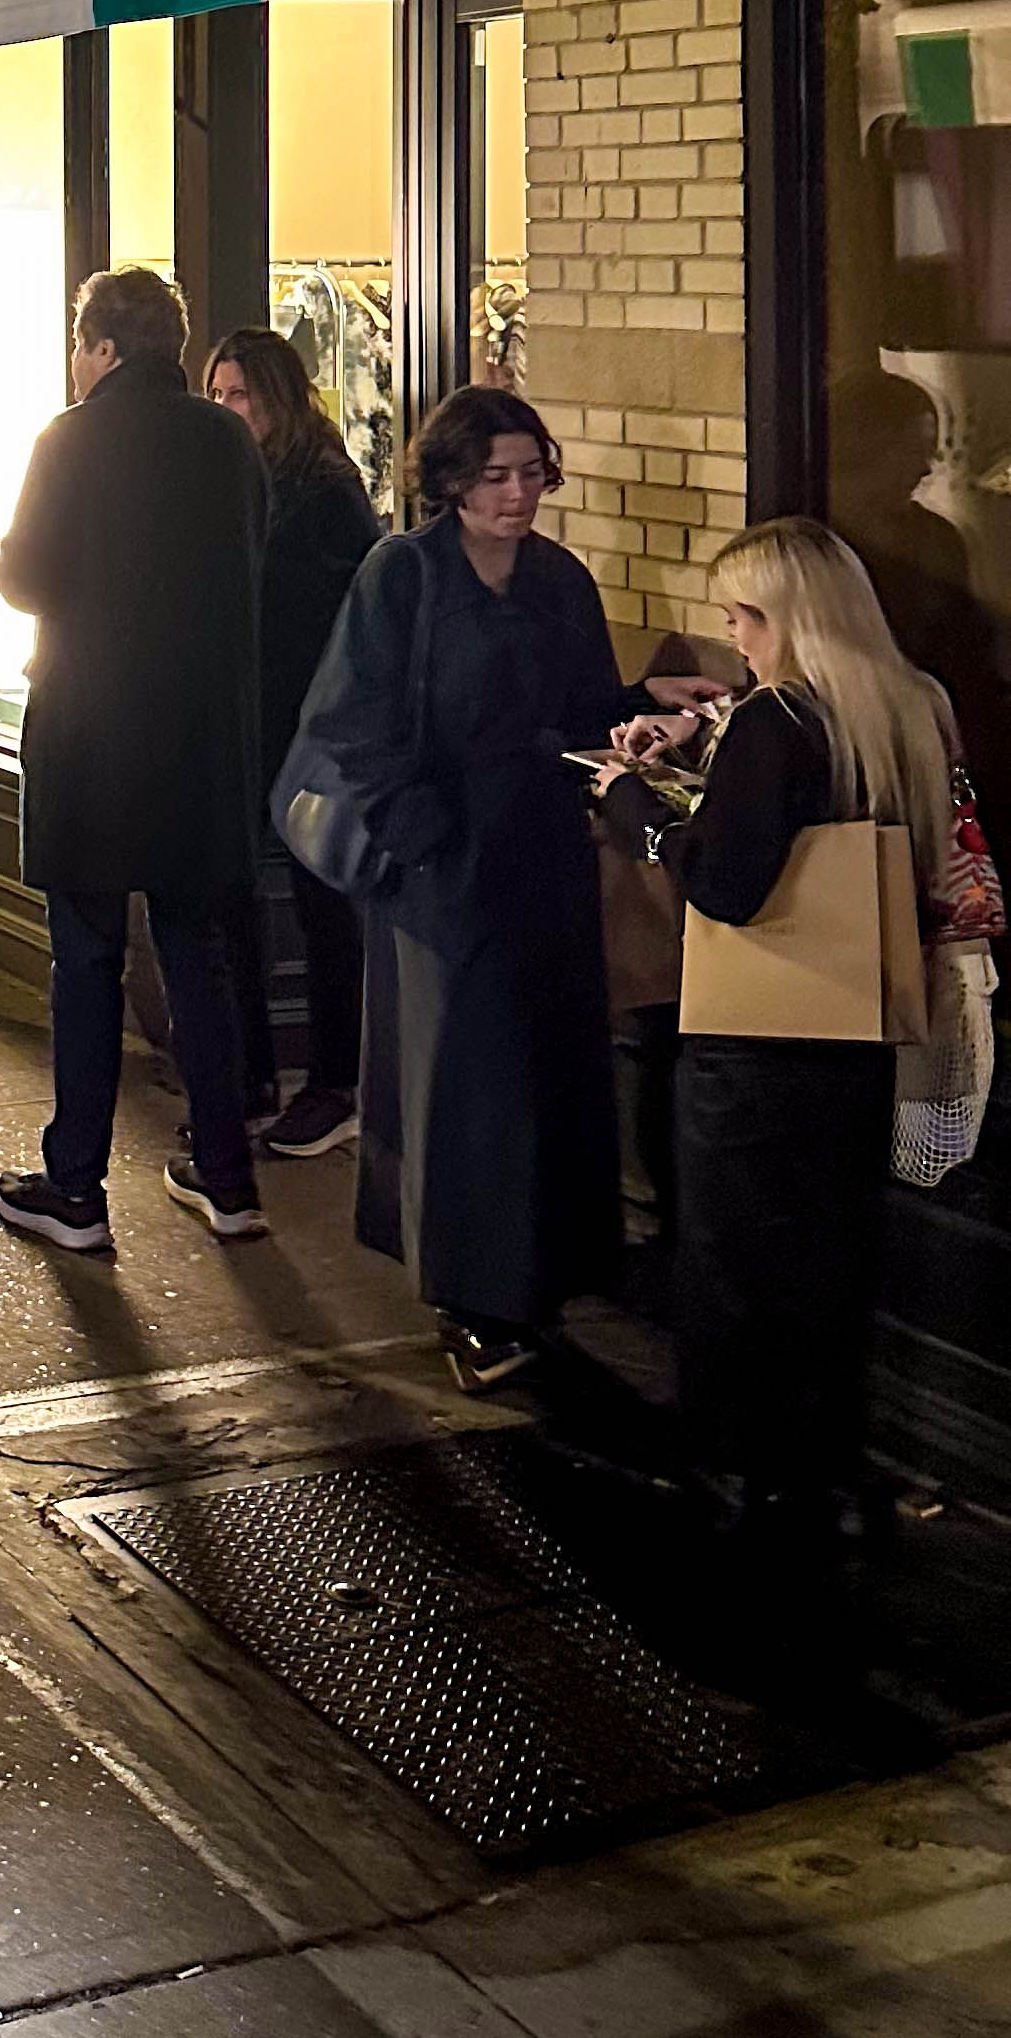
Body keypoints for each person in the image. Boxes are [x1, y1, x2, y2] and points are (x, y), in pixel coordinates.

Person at [292, 386, 718, 1391]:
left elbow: (577, 707)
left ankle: (551, 1283)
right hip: (447, 864)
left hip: (545, 854)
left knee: (552, 1074)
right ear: (449, 480)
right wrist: (419, 836)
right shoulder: (404, 575)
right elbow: (352, 723)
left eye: (532, 474)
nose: (519, 494)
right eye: (496, 477)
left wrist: (639, 704)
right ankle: (474, 1300)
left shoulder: (559, 578)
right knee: (466, 1084)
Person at [599, 518, 968, 1526]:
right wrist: (700, 755)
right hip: (855, 1030)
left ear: (787, 617)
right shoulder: (908, 707)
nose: (735, 638)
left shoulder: (781, 719)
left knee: (737, 1257)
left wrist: (636, 805)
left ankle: (743, 1465)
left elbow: (727, 881)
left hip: (758, 1041)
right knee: (831, 1255)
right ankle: (828, 1457)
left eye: (740, 617)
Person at [0, 269, 269, 1253]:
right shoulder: (228, 441)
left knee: (87, 962)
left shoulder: (70, 439)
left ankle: (76, 1188)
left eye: (81, 343)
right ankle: (229, 1179)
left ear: (103, 346)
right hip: (201, 743)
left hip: (93, 739)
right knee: (198, 958)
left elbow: (26, 577)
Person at [204, 326, 384, 1157]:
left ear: (278, 396)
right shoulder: (228, 478)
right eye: (216, 394)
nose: (228, 410)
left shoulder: (323, 491)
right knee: (230, 891)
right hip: (244, 717)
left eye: (240, 394)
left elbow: (324, 620)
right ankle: (247, 1075)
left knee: (323, 906)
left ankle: (333, 1083)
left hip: (308, 724)